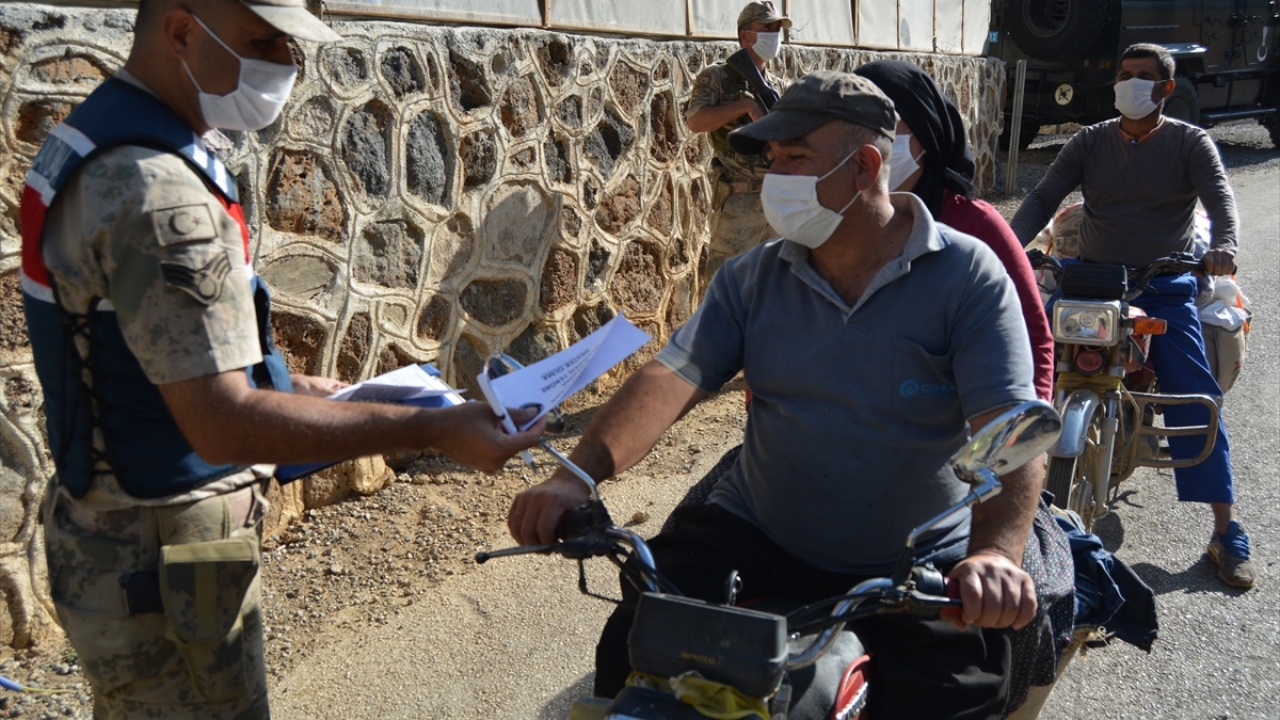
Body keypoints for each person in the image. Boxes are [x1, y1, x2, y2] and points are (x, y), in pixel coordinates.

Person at [19, 0, 544, 717]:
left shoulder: (97, 135)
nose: (286, 65)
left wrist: (287, 384)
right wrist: (432, 429)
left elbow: (146, 349)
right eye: (264, 41)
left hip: (133, 537)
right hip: (163, 549)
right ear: (182, 32)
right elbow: (220, 423)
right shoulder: (159, 190)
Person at [509, 71, 1043, 718]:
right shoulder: (752, 276)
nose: (774, 177)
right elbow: (670, 379)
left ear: (865, 167)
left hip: (912, 559)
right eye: (772, 159)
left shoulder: (967, 275)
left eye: (794, 158)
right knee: (635, 644)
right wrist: (574, 476)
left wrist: (994, 556)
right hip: (757, 534)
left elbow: (1010, 426)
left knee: (957, 694)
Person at [1008, 43, 1254, 589]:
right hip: (1089, 279)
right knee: (1021, 367)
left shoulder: (1190, 142)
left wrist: (1225, 246)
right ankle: (998, 501)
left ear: (1166, 88)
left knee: (1194, 395)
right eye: (1124, 74)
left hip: (1163, 284)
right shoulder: (1089, 140)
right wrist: (1009, 245)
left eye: (1143, 76)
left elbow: (1220, 202)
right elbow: (1043, 198)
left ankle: (1227, 530)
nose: (1130, 84)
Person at [853, 60, 1055, 402]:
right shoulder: (837, 221)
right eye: (855, 127)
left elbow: (1032, 335)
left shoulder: (976, 227)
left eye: (885, 126)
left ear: (926, 134)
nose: (869, 143)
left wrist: (1022, 427)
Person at [686, 0, 790, 290]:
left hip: (778, 201)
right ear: (745, 35)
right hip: (739, 202)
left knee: (776, 291)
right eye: (766, 28)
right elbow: (696, 120)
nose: (774, 34)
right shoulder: (718, 76)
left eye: (777, 28)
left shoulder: (778, 86)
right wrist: (744, 106)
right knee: (725, 289)